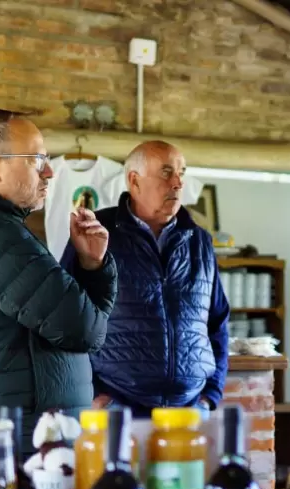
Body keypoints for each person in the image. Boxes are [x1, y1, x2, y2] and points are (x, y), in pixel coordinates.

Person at [0, 109, 119, 459]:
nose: (48, 171)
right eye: (35, 160)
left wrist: (92, 265)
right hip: (14, 441)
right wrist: (92, 273)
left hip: (24, 432)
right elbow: (86, 331)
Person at [60, 140, 230, 418]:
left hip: (190, 411)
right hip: (116, 408)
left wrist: (210, 395)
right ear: (134, 181)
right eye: (166, 172)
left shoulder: (200, 241)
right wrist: (92, 393)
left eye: (181, 173)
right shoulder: (96, 233)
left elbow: (217, 322)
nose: (177, 183)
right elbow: (64, 319)